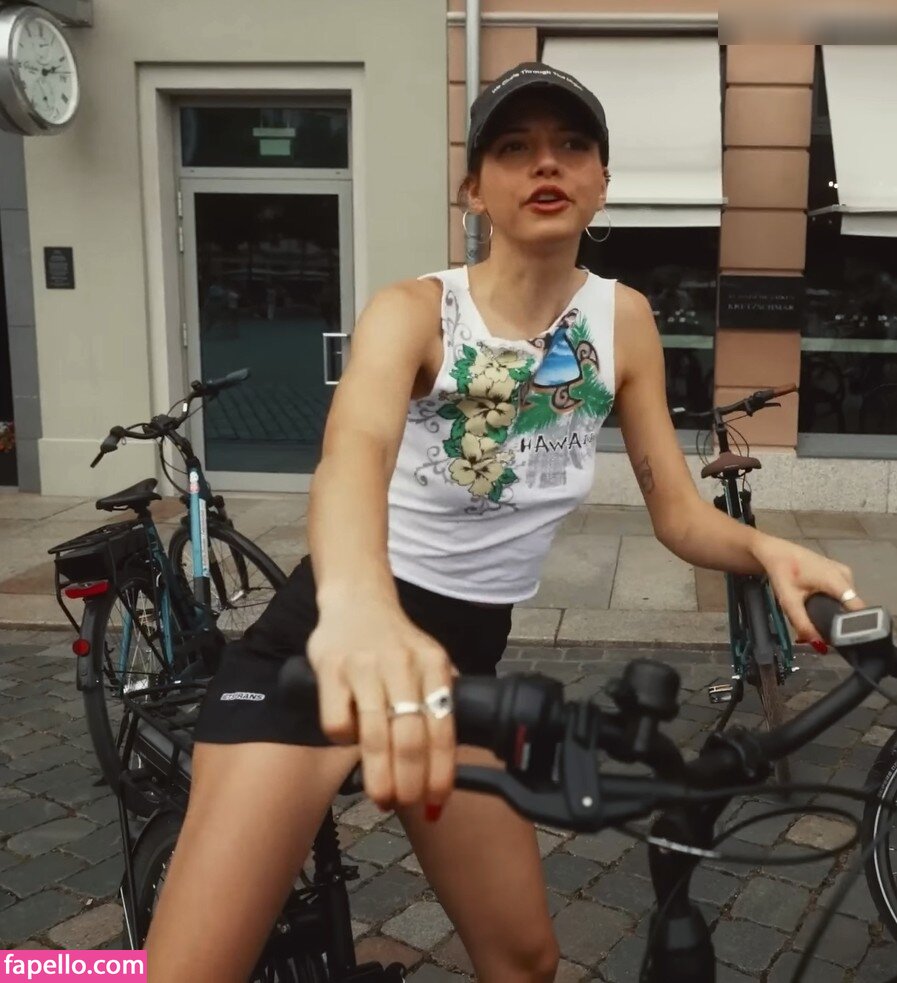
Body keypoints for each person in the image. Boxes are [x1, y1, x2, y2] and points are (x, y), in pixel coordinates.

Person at [146, 62, 864, 982]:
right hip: (327, 644)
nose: (545, 163)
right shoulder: (415, 310)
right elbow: (351, 454)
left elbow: (678, 513)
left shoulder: (622, 320)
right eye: (514, 147)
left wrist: (766, 550)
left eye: (570, 145)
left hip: (460, 672)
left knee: (525, 958)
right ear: (474, 189)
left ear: (602, 180)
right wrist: (361, 609)